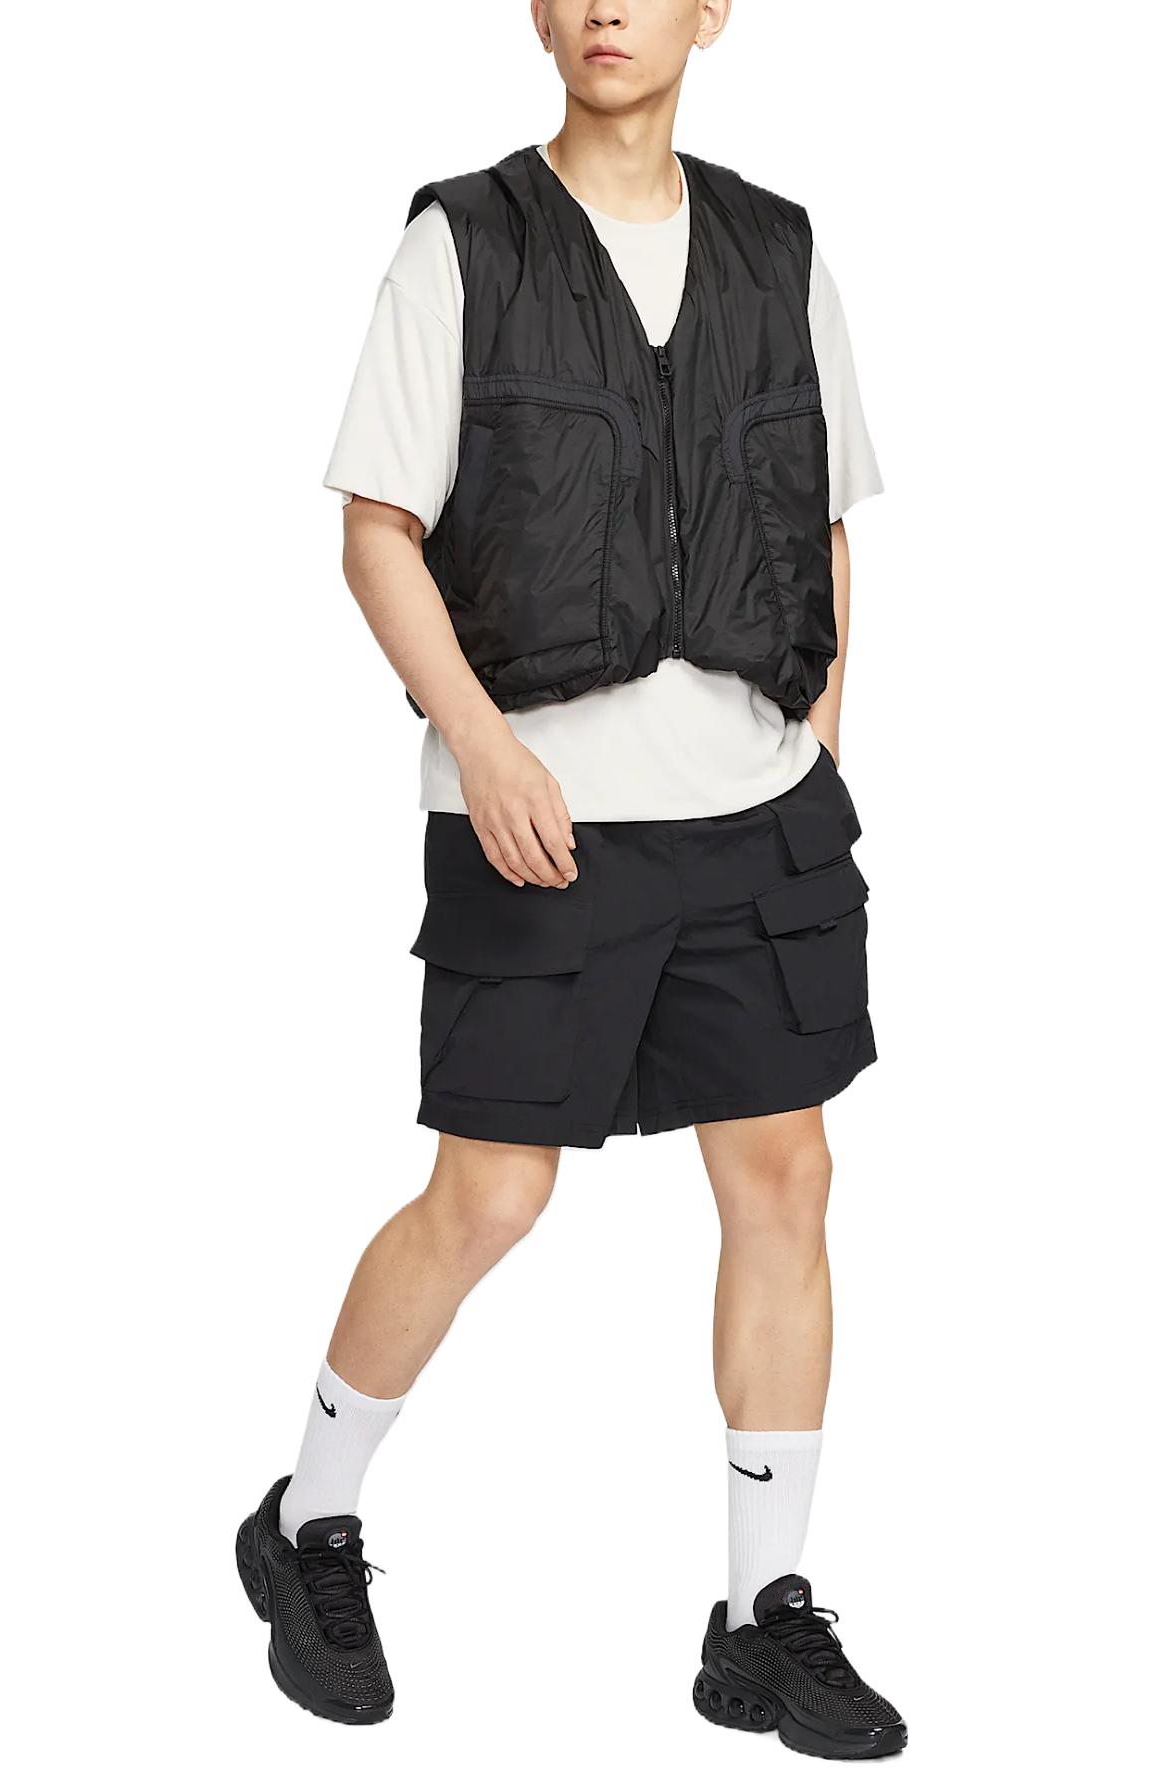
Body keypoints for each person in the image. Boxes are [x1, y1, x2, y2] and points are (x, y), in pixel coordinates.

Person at [234, 3, 905, 1759]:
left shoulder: (778, 247)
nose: (610, 5)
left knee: (787, 1180)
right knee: (491, 1198)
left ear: (712, 12)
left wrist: (820, 738)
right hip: (537, 813)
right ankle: (306, 1515)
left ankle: (763, 1613)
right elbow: (377, 528)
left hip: (752, 809)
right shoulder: (464, 242)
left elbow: (827, 512)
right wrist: (483, 747)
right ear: (539, 12)